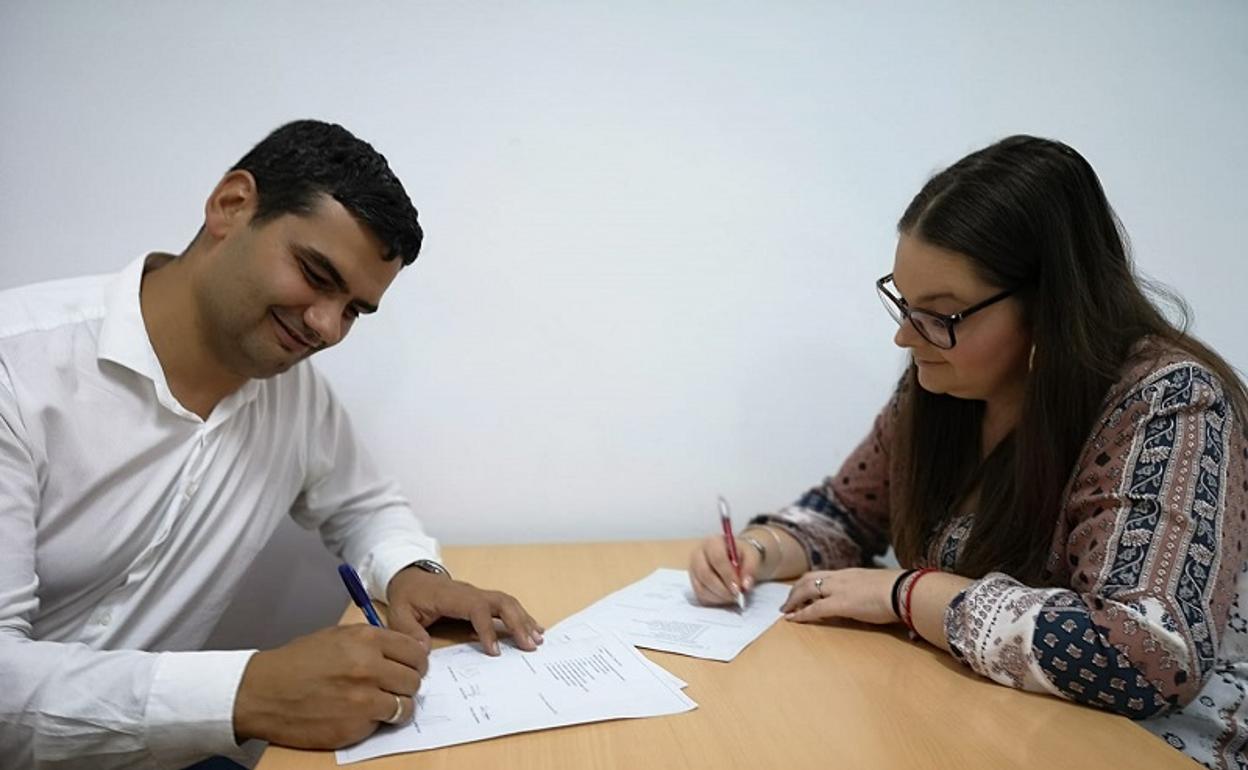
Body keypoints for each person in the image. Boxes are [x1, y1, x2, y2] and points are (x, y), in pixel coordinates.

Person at [0, 120, 545, 769]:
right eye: (316, 274)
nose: (326, 326)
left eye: (353, 310)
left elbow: (364, 506)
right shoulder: (18, 369)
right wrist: (245, 693)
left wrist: (411, 573)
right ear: (230, 206)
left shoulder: (293, 392)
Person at [689, 135, 1248, 767]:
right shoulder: (943, 384)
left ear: (1048, 308)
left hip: (1145, 747)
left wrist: (908, 594)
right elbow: (846, 513)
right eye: (903, 301)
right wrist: (759, 551)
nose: (906, 335)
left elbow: (1148, 654)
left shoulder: (1169, 403)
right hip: (989, 725)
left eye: (940, 313)